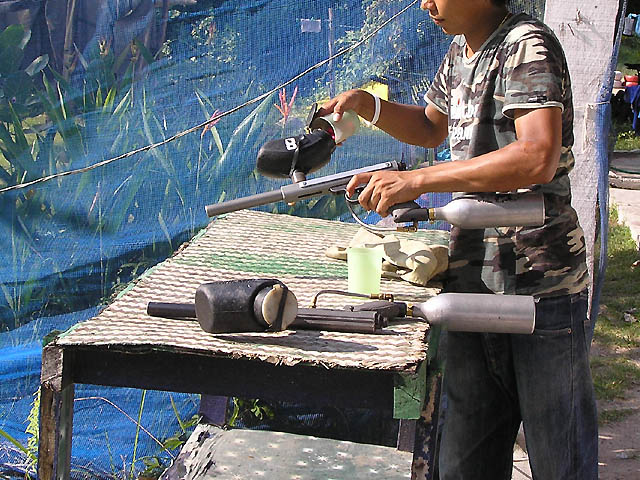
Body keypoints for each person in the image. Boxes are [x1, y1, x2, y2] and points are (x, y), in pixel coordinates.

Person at [319, 0, 598, 478]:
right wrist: (369, 105)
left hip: (539, 289)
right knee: (466, 464)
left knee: (561, 463)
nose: (426, 3)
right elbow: (432, 127)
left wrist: (419, 180)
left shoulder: (525, 46)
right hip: (472, 283)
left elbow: (537, 155)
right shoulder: (460, 52)